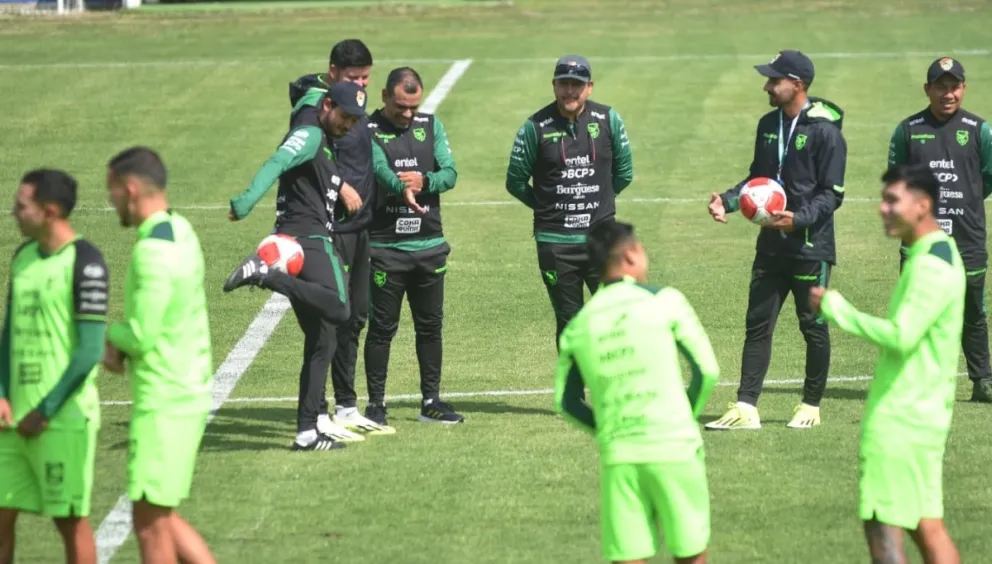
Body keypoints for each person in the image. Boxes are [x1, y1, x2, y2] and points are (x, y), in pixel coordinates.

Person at [811, 163, 963, 564]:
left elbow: (902, 335)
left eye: (892, 200)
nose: (882, 208)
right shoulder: (938, 251)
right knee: (926, 526)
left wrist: (836, 308)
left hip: (901, 420)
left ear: (922, 205)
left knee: (882, 524)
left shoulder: (930, 266)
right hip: (925, 415)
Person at [554, 220, 719, 564]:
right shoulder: (666, 301)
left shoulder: (578, 326)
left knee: (629, 557)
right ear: (631, 255)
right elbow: (706, 371)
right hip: (674, 445)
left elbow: (567, 402)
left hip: (620, 453)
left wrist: (607, 431)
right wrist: (683, 417)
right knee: (690, 554)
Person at [705, 50, 847, 430]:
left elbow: (832, 194)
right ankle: (746, 407)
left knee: (812, 326)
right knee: (758, 324)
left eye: (774, 80)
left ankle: (810, 406)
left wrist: (797, 219)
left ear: (797, 85)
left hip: (810, 248)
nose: (767, 86)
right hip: (771, 247)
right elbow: (757, 180)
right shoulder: (769, 124)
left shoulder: (826, 132)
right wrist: (728, 201)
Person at [224, 81, 366, 450]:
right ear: (328, 104)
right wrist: (245, 202)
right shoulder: (309, 134)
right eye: (345, 116)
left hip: (300, 240)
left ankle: (306, 433)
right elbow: (277, 162)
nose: (349, 125)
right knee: (339, 308)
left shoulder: (326, 143)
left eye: (354, 120)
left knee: (323, 338)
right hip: (309, 241)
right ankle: (266, 275)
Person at [103, 147, 216, 564]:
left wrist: (103, 336)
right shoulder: (180, 229)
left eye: (112, 190)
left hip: (163, 401)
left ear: (130, 189)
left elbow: (141, 335)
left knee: (150, 522)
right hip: (186, 387)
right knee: (160, 516)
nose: (110, 199)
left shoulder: (151, 252)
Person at [0, 169, 108, 564]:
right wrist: (2, 394)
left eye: (20, 205)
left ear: (49, 211)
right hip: (12, 419)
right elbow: (8, 333)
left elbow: (88, 351)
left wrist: (44, 412)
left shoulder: (86, 262)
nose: (13, 212)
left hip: (61, 420)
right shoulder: (22, 257)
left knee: (69, 522)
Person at [287, 39, 391, 433]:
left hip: (361, 227)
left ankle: (346, 407)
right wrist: (340, 184)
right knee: (328, 320)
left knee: (355, 317)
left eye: (366, 77)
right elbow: (302, 149)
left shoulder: (354, 104)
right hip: (330, 228)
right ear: (333, 73)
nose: (361, 85)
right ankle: (316, 412)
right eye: (353, 78)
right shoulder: (313, 107)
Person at [504, 54, 634, 347]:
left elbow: (624, 173)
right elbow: (515, 182)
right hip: (555, 244)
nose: (570, 91)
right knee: (569, 323)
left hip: (600, 240)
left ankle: (609, 390)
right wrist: (548, 206)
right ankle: (572, 394)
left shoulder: (607, 119)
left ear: (590, 87)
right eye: (564, 83)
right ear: (554, 85)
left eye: (577, 84)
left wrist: (599, 199)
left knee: (613, 318)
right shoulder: (535, 126)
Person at [887, 56, 992, 403]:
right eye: (941, 87)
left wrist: (967, 200)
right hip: (921, 242)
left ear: (963, 88)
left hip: (968, 238)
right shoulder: (908, 130)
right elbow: (897, 182)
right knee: (917, 312)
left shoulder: (980, 130)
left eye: (954, 87)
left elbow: (987, 180)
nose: (948, 94)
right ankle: (912, 381)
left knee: (973, 312)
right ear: (927, 89)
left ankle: (983, 381)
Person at [363, 67, 462, 425]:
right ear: (386, 96)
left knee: (430, 326)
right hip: (386, 249)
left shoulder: (431, 127)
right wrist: (399, 186)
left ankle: (431, 401)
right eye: (401, 107)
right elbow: (377, 170)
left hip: (430, 246)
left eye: (413, 107)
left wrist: (426, 180)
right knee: (382, 328)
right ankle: (375, 405)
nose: (408, 114)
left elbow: (450, 173)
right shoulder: (368, 130)